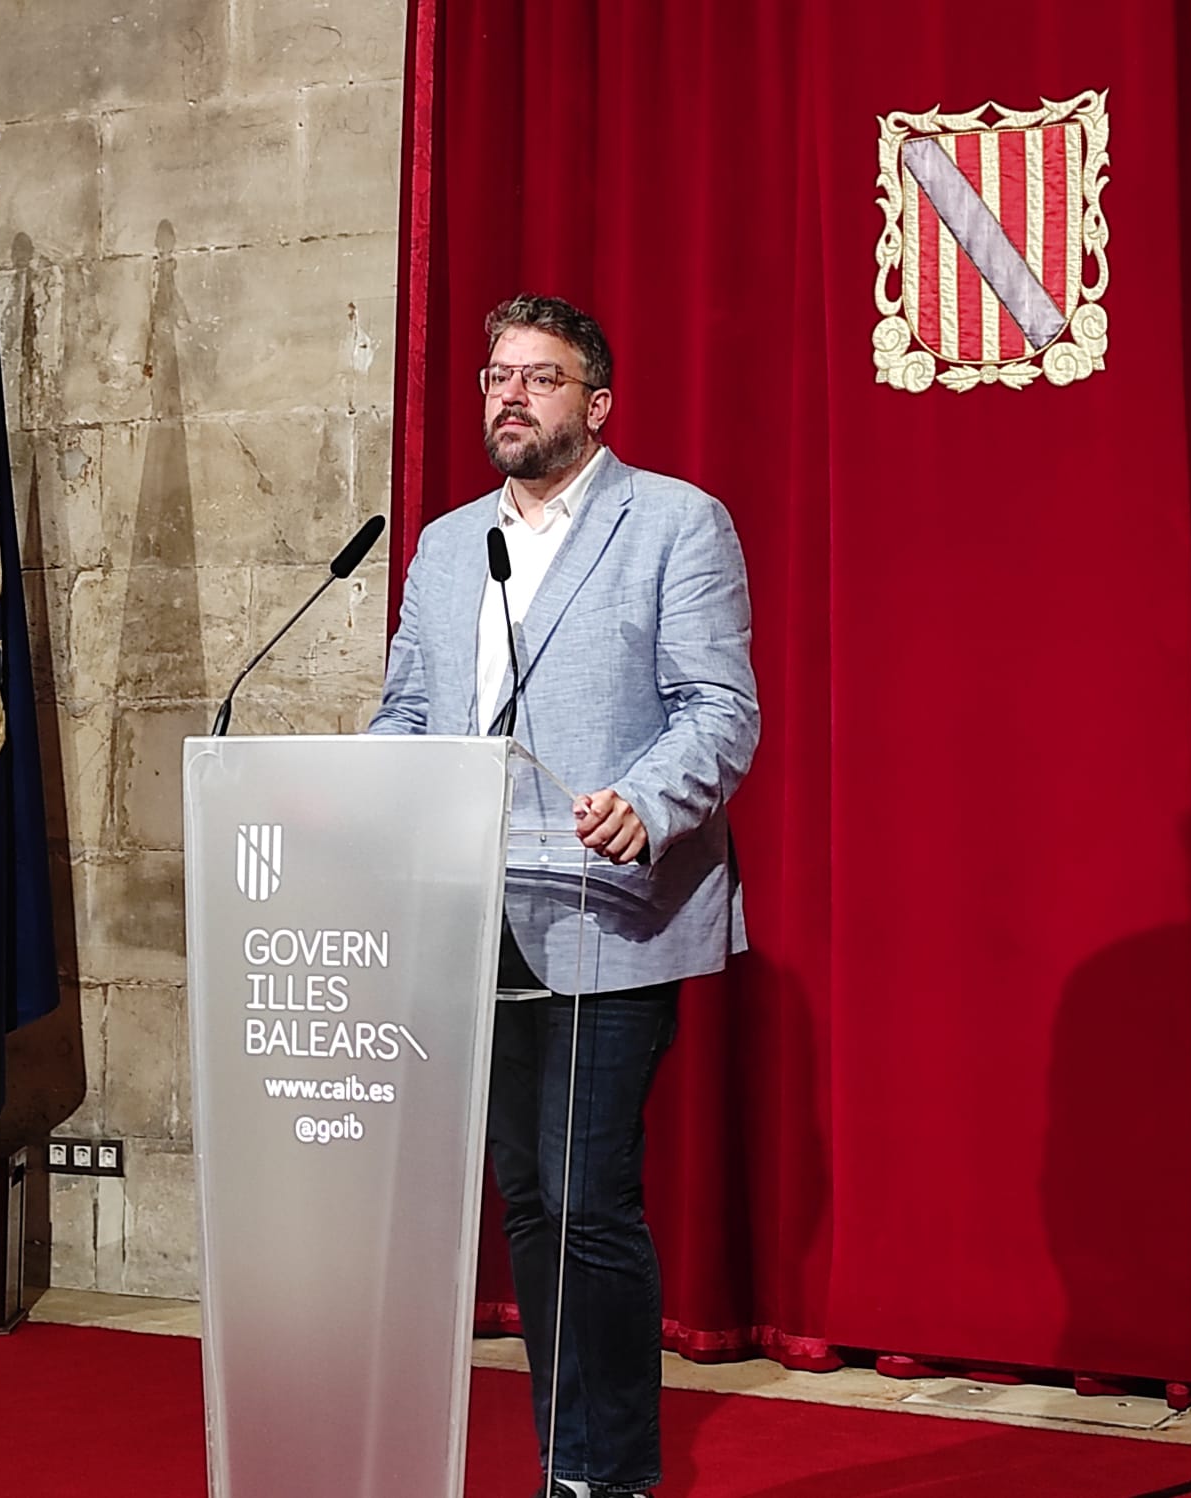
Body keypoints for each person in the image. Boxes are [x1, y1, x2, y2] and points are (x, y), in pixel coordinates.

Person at [369, 294, 759, 1498]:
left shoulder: (674, 524)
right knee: (530, 1203)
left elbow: (719, 709)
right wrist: (359, 785)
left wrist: (648, 799)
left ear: (594, 405)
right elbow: (408, 713)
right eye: (496, 375)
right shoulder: (443, 547)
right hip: (471, 911)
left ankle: (614, 1472)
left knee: (590, 1197)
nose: (508, 395)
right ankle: (570, 1465)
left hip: (605, 909)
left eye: (539, 378)